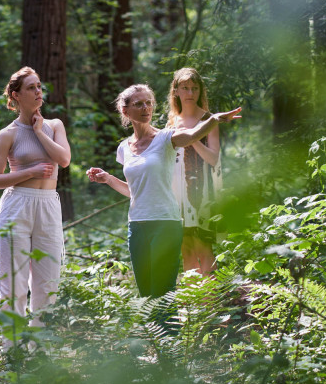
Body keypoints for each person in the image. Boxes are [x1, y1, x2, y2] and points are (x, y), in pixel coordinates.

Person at [86, 84, 239, 297]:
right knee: (146, 294)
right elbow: (135, 192)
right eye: (138, 104)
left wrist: (212, 121)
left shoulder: (166, 138)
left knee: (162, 293)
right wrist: (109, 179)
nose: (145, 108)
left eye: (149, 103)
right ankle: (151, 331)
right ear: (125, 110)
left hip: (165, 223)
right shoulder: (123, 148)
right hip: (137, 227)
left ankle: (169, 331)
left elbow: (192, 136)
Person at [0, 67, 71, 336]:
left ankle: (40, 350)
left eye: (39, 87)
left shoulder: (54, 125)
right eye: (31, 88)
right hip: (17, 205)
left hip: (48, 204)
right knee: (13, 281)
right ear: (16, 96)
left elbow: (64, 160)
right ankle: (13, 349)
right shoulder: (7, 134)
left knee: (48, 282)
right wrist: (30, 172)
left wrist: (39, 132)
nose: (38, 92)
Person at [167, 68, 221, 275]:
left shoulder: (209, 120)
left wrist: (192, 137)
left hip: (204, 191)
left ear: (200, 91)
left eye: (194, 88)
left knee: (204, 246)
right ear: (176, 92)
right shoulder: (172, 122)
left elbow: (213, 158)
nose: (190, 93)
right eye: (185, 88)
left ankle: (212, 301)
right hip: (177, 193)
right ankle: (193, 301)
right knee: (186, 246)